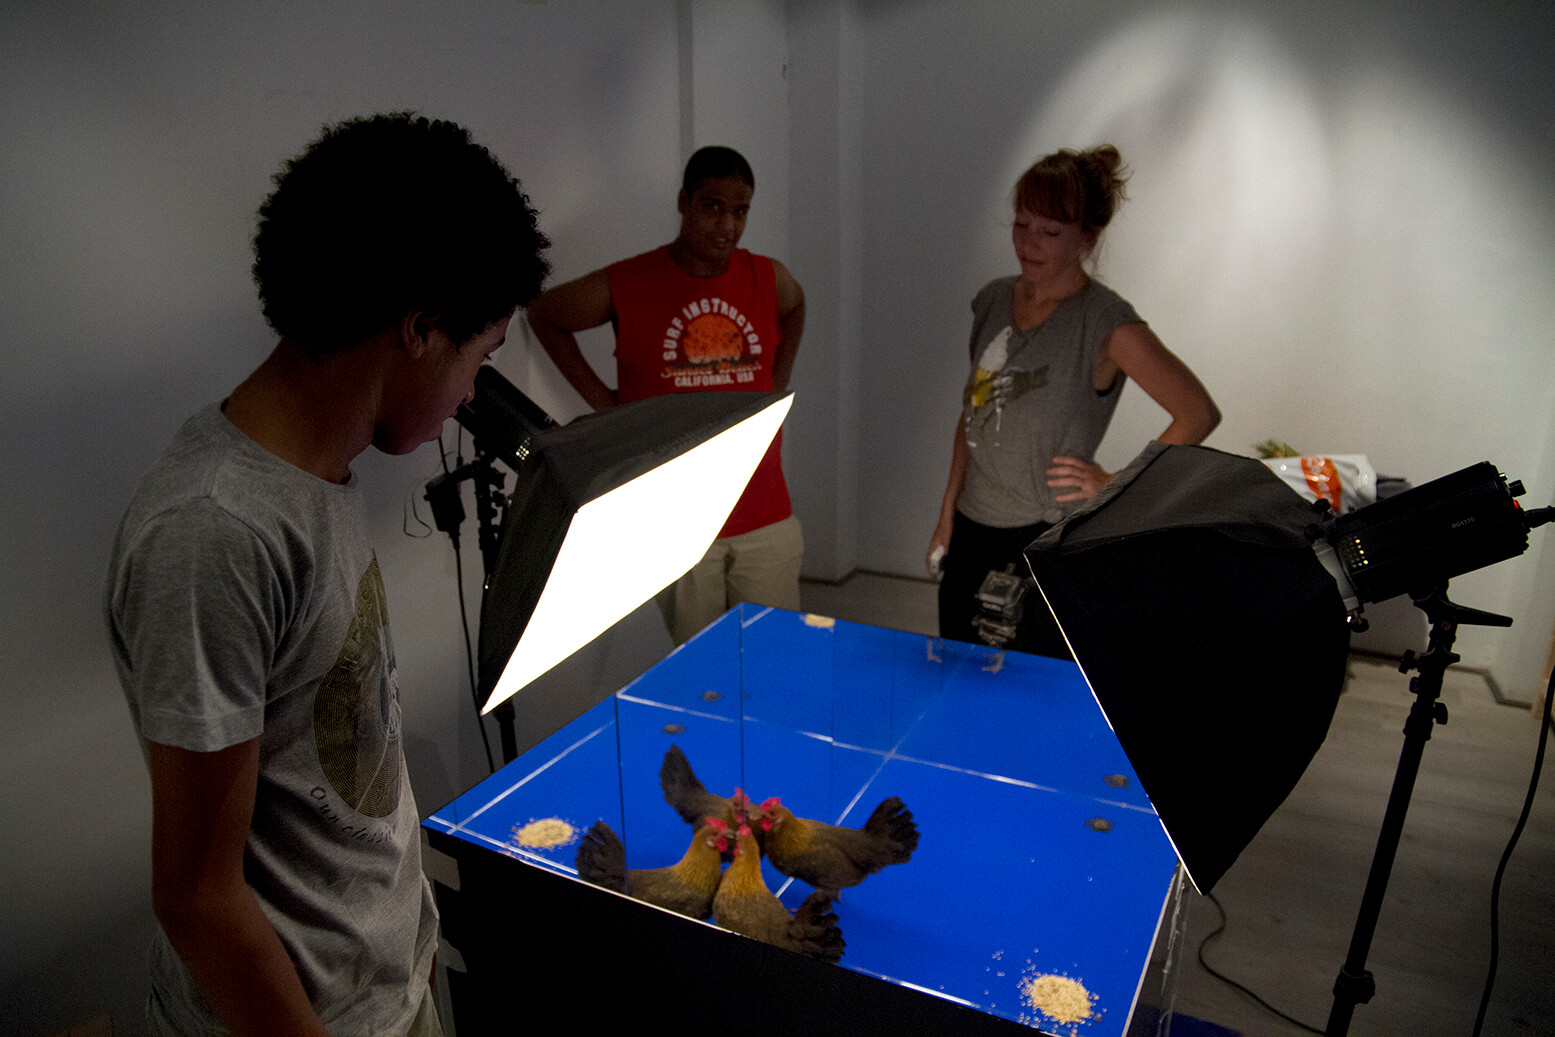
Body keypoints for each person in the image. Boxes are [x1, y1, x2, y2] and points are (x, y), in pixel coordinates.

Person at [103, 113, 551, 1036]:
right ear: (422, 327)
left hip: (390, 981)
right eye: (481, 356)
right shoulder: (215, 530)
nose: (473, 394)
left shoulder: (322, 477)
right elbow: (197, 898)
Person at [927, 145, 1220, 657]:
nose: (1028, 243)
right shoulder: (993, 300)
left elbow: (1197, 413)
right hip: (974, 527)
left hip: (1044, 536)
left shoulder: (1105, 323)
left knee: (1029, 693)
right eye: (1021, 224)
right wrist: (948, 509)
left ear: (1087, 236)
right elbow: (973, 413)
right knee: (958, 675)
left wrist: (1115, 485)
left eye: (1049, 232)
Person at [526, 145, 806, 645]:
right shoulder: (633, 282)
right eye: (712, 206)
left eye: (740, 211)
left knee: (774, 659)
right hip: (679, 520)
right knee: (700, 672)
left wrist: (773, 386)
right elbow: (547, 313)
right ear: (684, 202)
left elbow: (796, 304)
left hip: (763, 509)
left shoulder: (766, 276)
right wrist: (608, 406)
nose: (726, 226)